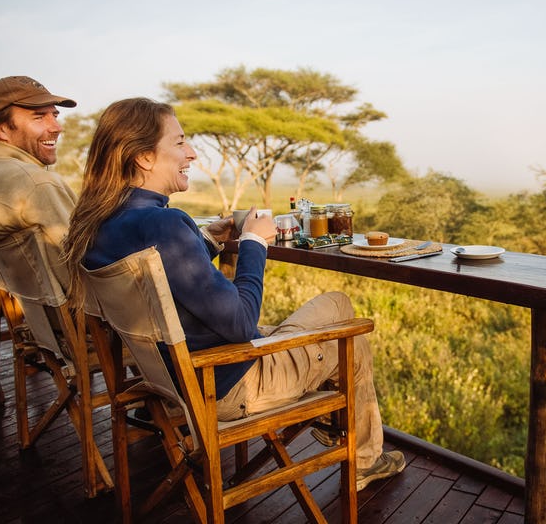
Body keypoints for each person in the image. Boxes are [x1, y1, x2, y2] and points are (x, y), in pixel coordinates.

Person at [63, 97, 405, 492]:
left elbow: (157, 276)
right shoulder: (165, 223)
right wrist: (254, 243)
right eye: (179, 143)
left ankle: (340, 431)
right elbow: (241, 325)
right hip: (227, 384)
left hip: (171, 379)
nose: (191, 152)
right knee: (343, 314)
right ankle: (362, 458)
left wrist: (205, 240)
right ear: (142, 157)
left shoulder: (97, 223)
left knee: (327, 314)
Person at [0, 75, 78, 289]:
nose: (57, 127)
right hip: (83, 318)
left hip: (37, 317)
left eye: (54, 115)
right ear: (0, 128)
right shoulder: (38, 183)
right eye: (39, 117)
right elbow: (79, 270)